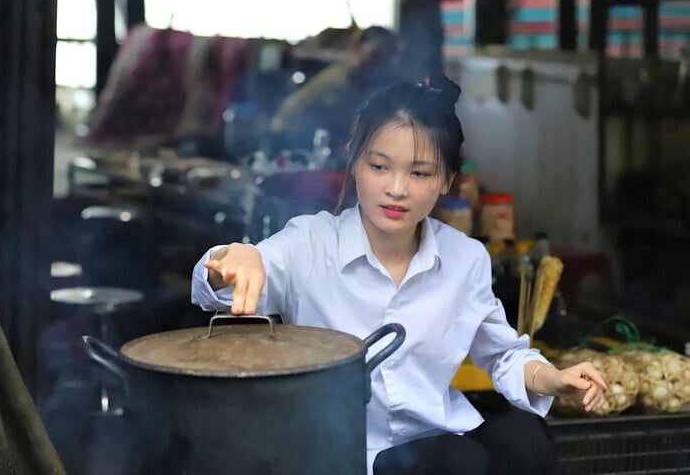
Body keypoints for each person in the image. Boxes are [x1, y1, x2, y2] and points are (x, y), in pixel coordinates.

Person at [191, 73, 607, 475]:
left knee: (525, 437)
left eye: (419, 172)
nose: (396, 188)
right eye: (380, 166)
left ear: (446, 180)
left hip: (439, 444)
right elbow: (223, 285)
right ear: (355, 164)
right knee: (458, 461)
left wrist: (553, 379)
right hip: (345, 454)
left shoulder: (465, 258)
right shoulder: (311, 242)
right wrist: (235, 259)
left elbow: (503, 356)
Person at [262, 25, 401, 165]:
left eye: (385, 59)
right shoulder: (340, 83)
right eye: (375, 56)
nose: (379, 65)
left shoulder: (359, 82)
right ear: (356, 48)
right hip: (286, 146)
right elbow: (350, 129)